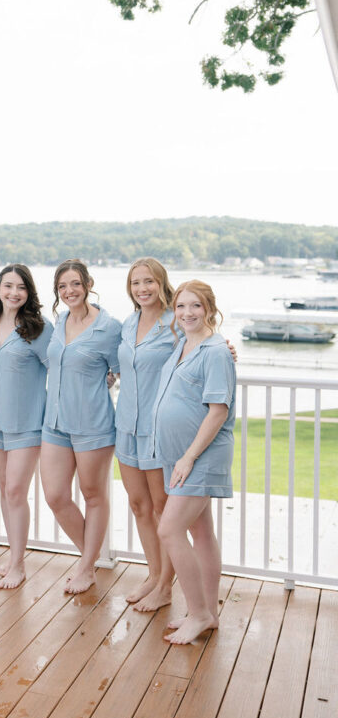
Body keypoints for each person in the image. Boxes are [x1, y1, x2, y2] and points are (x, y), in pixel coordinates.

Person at [153, 280, 236, 645]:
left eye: (196, 306)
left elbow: (218, 411)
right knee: (201, 533)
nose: (187, 313)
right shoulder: (185, 344)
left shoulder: (216, 351)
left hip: (200, 456)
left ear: (209, 309)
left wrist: (188, 457)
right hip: (181, 456)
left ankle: (198, 612)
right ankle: (209, 614)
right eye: (182, 306)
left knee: (169, 530)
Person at [41, 259, 121, 594]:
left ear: (88, 283)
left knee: (93, 495)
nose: (69, 291)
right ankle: (89, 556)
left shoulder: (110, 327)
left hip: (93, 425)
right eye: (62, 286)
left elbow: (126, 366)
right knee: (56, 496)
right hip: (55, 422)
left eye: (75, 284)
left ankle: (87, 567)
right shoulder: (59, 321)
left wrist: (111, 378)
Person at [0, 264, 53, 588]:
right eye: (7, 286)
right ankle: (13, 555)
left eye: (20, 287)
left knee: (15, 490)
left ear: (29, 292)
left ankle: (19, 565)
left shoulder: (38, 328)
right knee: (3, 488)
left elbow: (61, 365)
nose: (13, 293)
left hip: (27, 423)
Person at [115, 258, 178, 611]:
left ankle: (166, 586)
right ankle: (153, 575)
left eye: (149, 282)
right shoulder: (128, 324)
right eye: (137, 282)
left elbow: (202, 349)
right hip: (126, 426)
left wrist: (227, 350)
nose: (143, 288)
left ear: (161, 283)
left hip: (158, 431)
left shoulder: (175, 324)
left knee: (161, 508)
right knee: (139, 505)